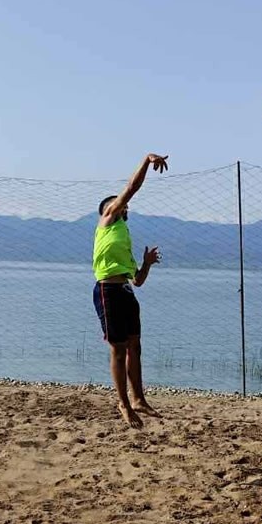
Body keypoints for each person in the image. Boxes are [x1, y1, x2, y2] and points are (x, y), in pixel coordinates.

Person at [92, 153, 168, 429]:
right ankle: (123, 403)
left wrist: (146, 264)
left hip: (125, 291)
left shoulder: (123, 237)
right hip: (107, 291)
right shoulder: (108, 221)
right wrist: (146, 161)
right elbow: (131, 189)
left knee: (135, 346)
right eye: (117, 203)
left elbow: (137, 281)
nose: (123, 206)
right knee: (119, 350)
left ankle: (138, 399)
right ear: (108, 210)